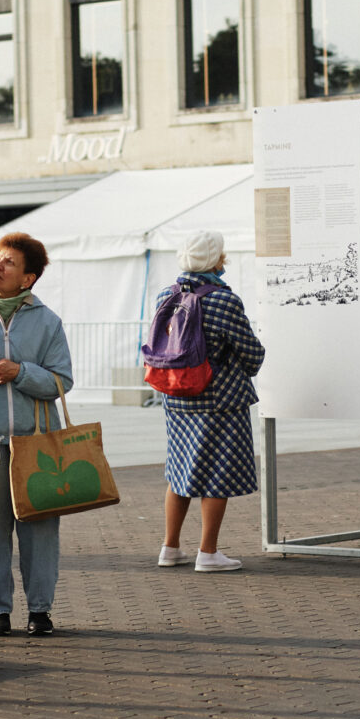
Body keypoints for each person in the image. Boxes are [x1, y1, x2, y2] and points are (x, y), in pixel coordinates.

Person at [0, 232, 73, 636]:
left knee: (39, 531)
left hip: (37, 443)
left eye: (10, 263)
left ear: (28, 278)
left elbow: (61, 382)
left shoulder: (48, 321)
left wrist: (21, 372)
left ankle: (40, 611)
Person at [156, 231, 265, 572]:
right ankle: (208, 552)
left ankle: (170, 548)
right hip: (220, 403)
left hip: (176, 399)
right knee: (217, 475)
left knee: (180, 472)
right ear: (217, 260)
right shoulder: (223, 300)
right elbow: (252, 355)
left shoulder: (165, 295)